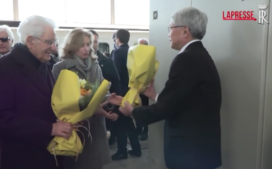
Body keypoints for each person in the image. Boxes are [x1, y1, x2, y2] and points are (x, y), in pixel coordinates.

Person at [119, 7, 222, 169]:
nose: (168, 33)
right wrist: (155, 95)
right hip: (200, 148)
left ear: (185, 31)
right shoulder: (200, 55)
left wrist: (132, 111)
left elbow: (166, 109)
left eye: (171, 27)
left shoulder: (186, 59)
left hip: (189, 152)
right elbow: (185, 101)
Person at [0, 15, 71, 169]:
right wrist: (49, 128)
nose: (53, 48)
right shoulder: (1, 68)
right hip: (24, 158)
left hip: (51, 156)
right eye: (49, 42)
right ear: (30, 41)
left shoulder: (45, 63)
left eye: (54, 42)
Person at [52, 28, 122, 169]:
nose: (86, 48)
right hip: (75, 129)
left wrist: (109, 99)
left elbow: (99, 94)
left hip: (95, 129)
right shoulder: (61, 68)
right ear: (72, 46)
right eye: (81, 45)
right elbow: (56, 101)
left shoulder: (95, 66)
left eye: (88, 44)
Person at [111, 29, 141, 160]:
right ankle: (136, 148)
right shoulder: (132, 51)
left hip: (120, 92)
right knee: (128, 121)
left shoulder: (117, 52)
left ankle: (122, 151)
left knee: (121, 123)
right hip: (131, 91)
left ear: (117, 38)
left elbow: (115, 74)